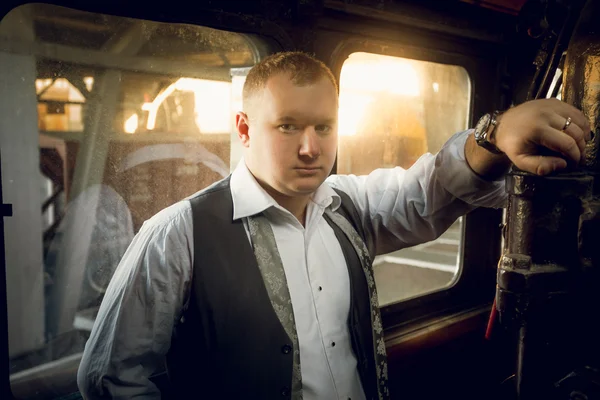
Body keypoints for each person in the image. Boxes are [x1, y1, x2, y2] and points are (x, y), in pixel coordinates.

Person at [76, 51, 591, 400]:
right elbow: (112, 379)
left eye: (323, 127)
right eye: (288, 126)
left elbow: (432, 187)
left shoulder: (346, 204)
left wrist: (496, 134)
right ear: (243, 128)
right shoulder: (176, 235)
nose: (310, 147)